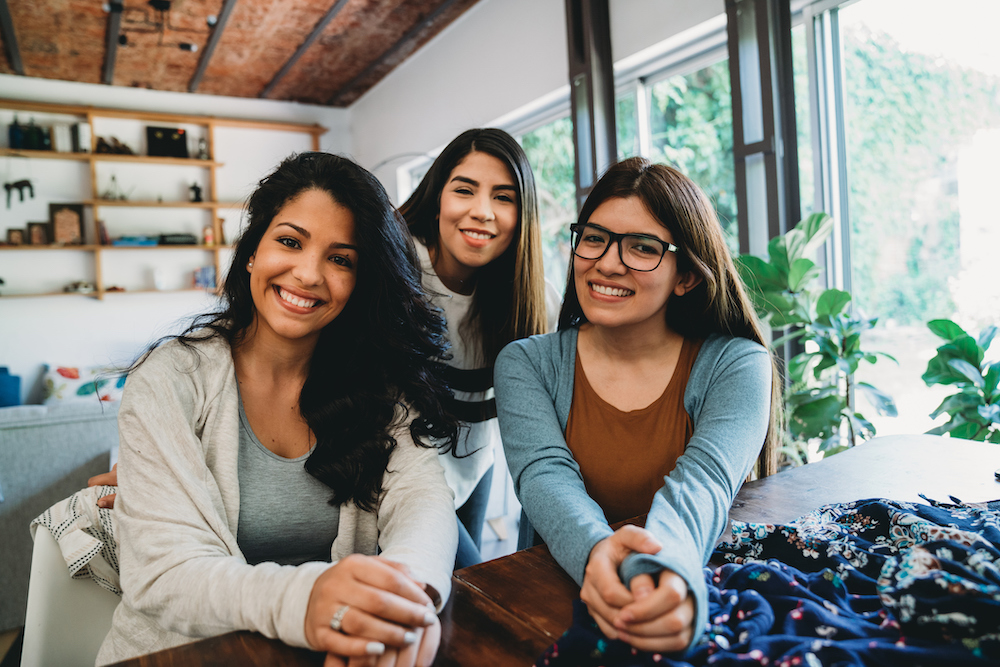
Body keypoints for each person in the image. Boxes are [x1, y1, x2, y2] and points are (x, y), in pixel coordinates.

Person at [95, 152, 460, 667]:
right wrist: (311, 599)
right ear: (251, 253)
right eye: (289, 241)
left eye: (341, 259)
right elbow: (165, 573)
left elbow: (424, 504)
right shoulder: (171, 376)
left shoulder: (379, 388)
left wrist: (404, 597)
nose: (308, 274)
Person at [494, 157, 781, 655]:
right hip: (558, 597)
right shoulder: (526, 363)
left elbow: (703, 484)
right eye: (593, 237)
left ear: (687, 276)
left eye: (643, 247)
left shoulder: (736, 364)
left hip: (681, 589)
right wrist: (601, 554)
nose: (606, 262)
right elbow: (545, 478)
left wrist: (664, 571)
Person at [399, 128, 556, 567]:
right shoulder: (397, 271)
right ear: (436, 200)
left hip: (472, 465)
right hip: (401, 480)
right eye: (464, 190)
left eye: (504, 197)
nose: (482, 212)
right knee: (473, 595)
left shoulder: (534, 296)